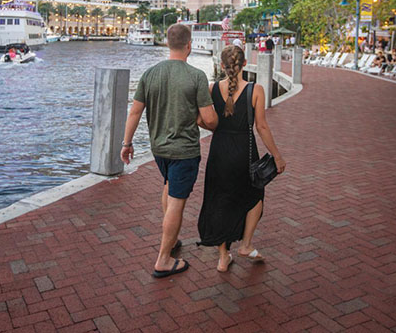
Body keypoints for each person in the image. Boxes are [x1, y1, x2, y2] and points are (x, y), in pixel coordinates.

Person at [121, 23, 218, 278]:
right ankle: (163, 259)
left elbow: (135, 112)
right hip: (184, 151)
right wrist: (205, 119)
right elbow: (210, 120)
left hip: (159, 149)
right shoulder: (196, 76)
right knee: (177, 202)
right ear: (189, 45)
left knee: (167, 186)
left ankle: (171, 240)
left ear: (167, 43)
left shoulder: (150, 74)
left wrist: (126, 143)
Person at [197, 45, 286, 272]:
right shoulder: (255, 90)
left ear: (223, 65)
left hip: (219, 151)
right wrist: (277, 156)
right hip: (244, 152)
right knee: (255, 196)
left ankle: (222, 257)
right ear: (245, 64)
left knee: (219, 200)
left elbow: (201, 120)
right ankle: (245, 245)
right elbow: (262, 127)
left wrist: (214, 126)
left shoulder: (211, 88)